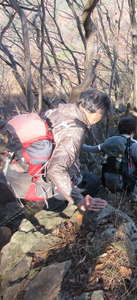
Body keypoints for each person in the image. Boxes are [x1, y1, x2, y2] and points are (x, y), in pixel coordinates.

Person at [0, 88, 111, 224]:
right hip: (31, 186)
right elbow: (56, 169)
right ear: (97, 113)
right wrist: (78, 199)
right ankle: (62, 216)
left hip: (14, 176)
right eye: (103, 114)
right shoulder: (75, 132)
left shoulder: (59, 111)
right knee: (93, 183)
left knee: (85, 178)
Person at [82, 117, 137, 226]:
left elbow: (92, 149)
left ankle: (130, 208)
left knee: (132, 195)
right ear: (133, 130)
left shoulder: (109, 141)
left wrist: (78, 144)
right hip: (130, 181)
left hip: (112, 180)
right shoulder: (134, 144)